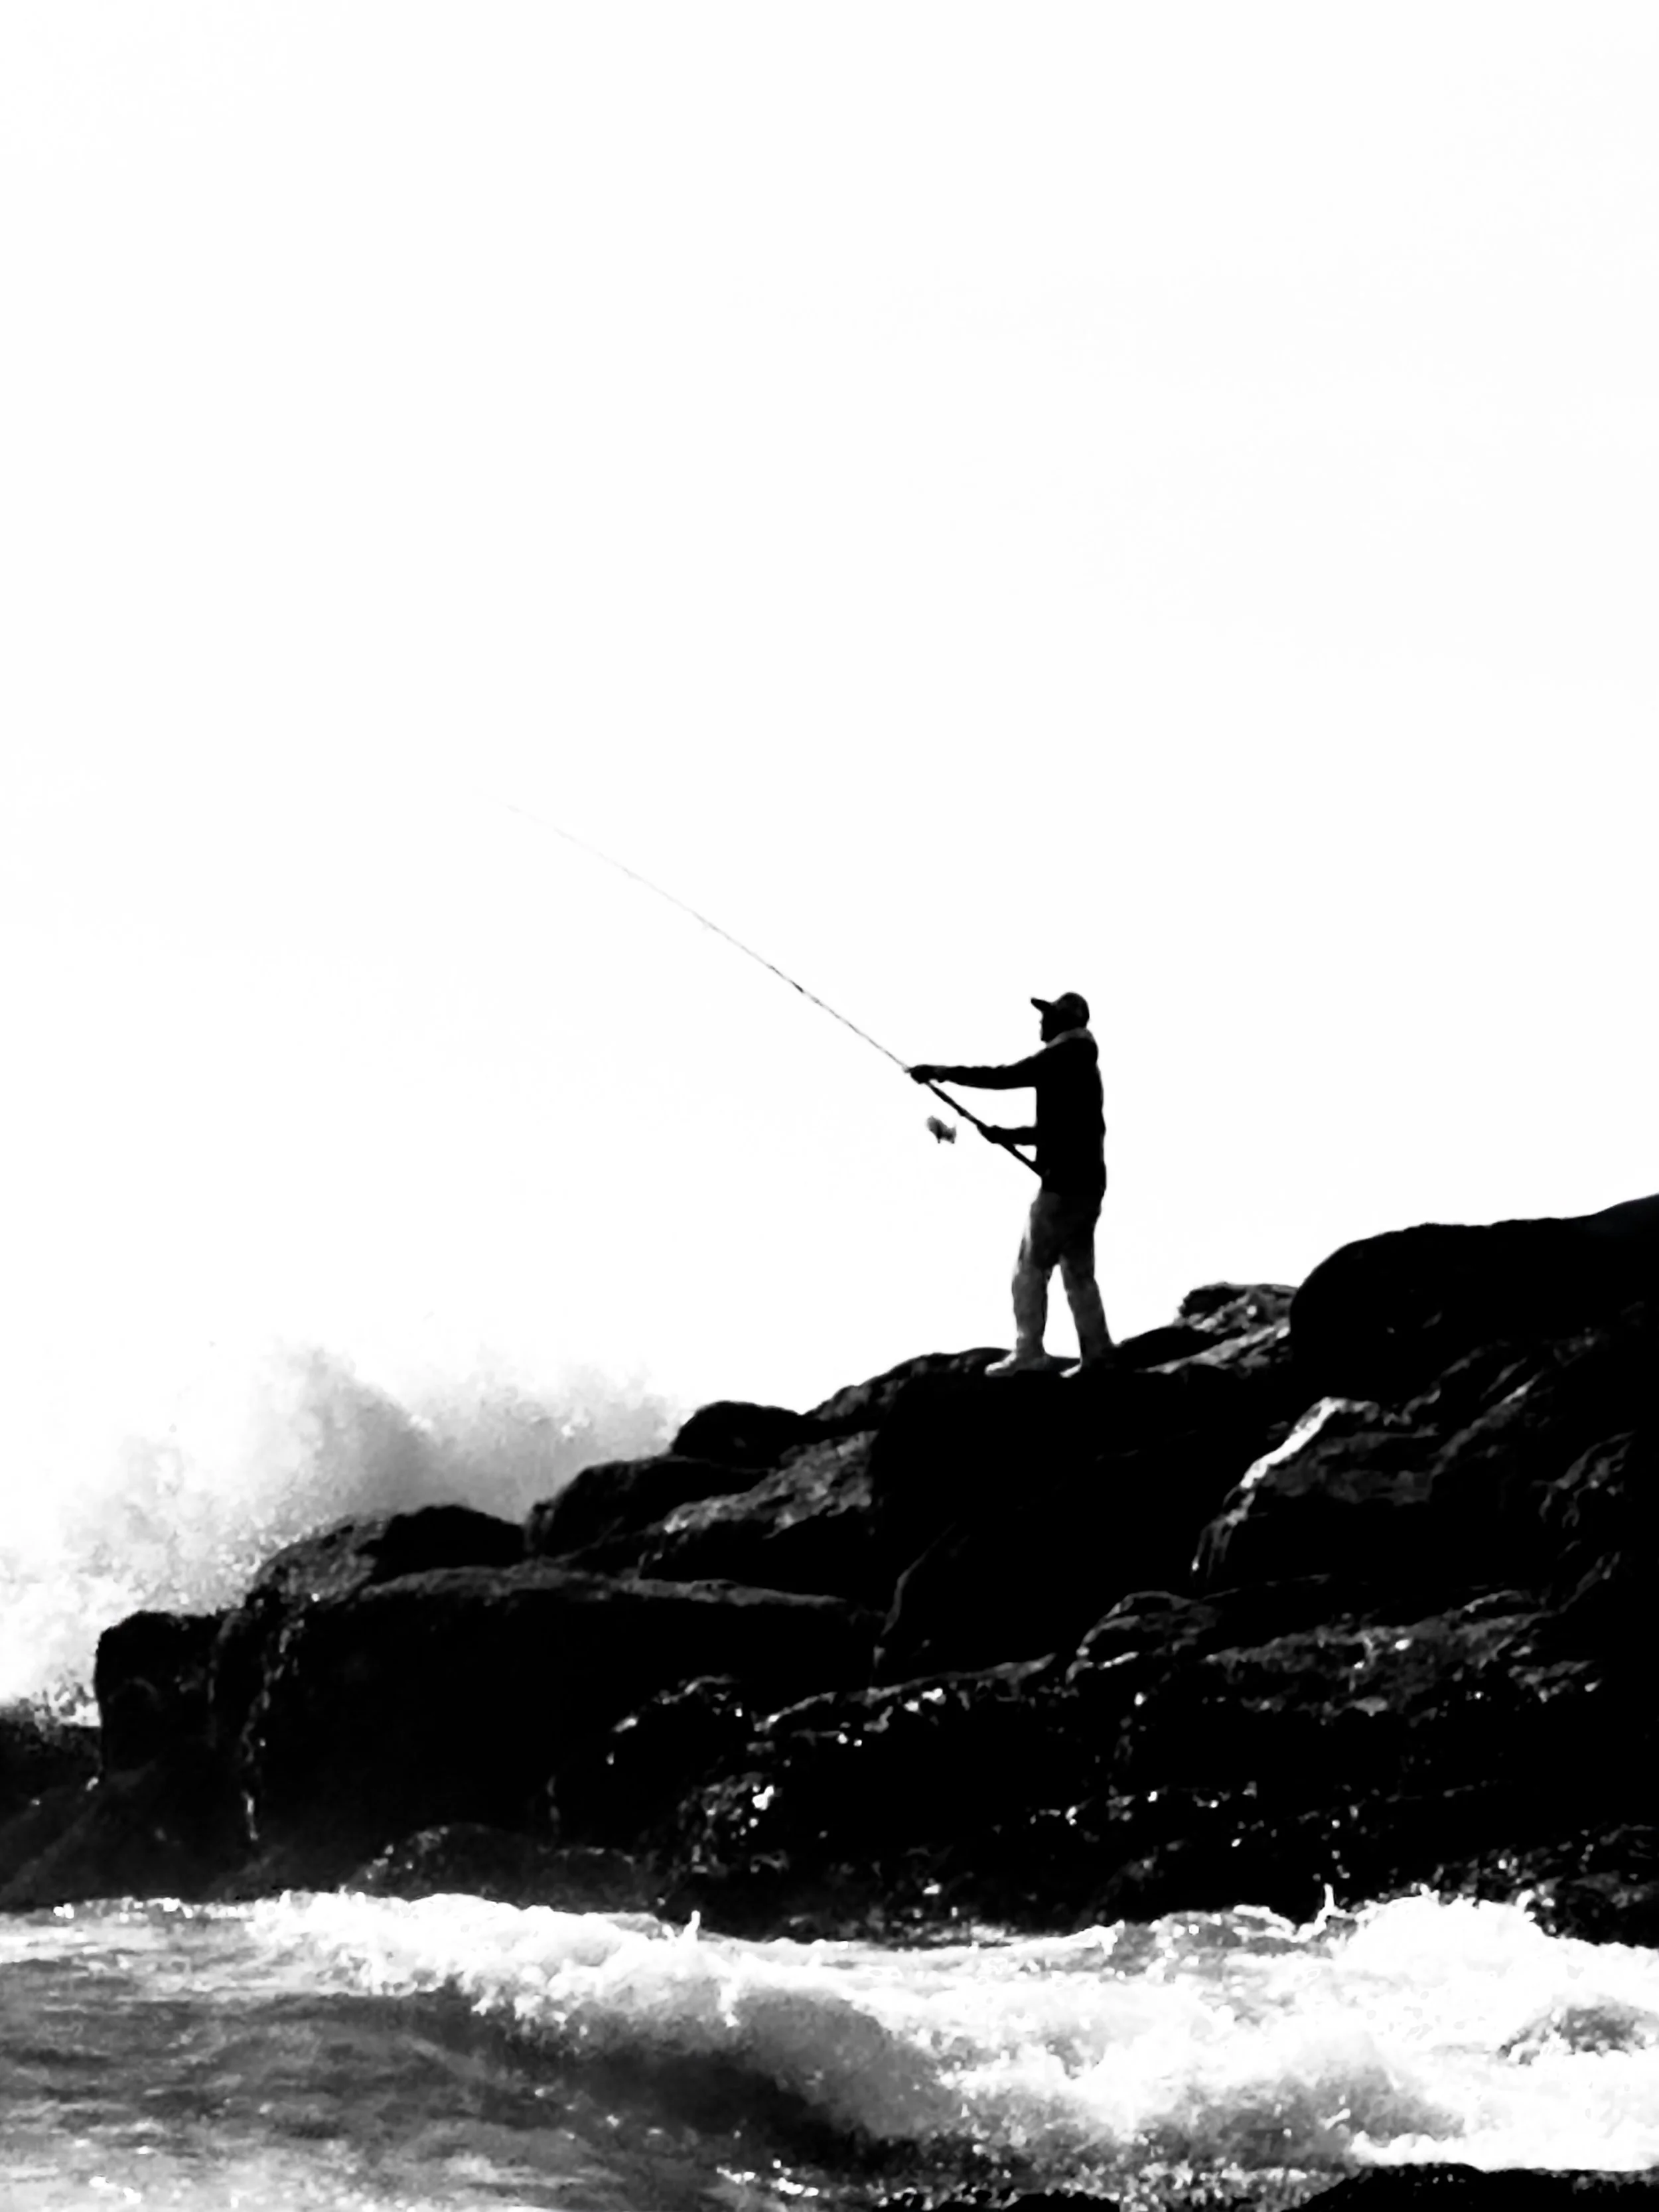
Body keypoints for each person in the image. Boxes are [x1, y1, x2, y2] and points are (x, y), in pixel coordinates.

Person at [910, 991, 1114, 1376]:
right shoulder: (1084, 1065)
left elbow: (1005, 1077)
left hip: (1063, 1186)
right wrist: (1008, 1135)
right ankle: (1098, 1354)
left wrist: (943, 1071)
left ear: (1063, 1022)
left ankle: (1029, 1351)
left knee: (1030, 1268)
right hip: (1089, 1183)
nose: (1040, 1022)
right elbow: (1062, 1130)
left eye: (1047, 1016)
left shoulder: (1061, 1057)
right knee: (1078, 1273)